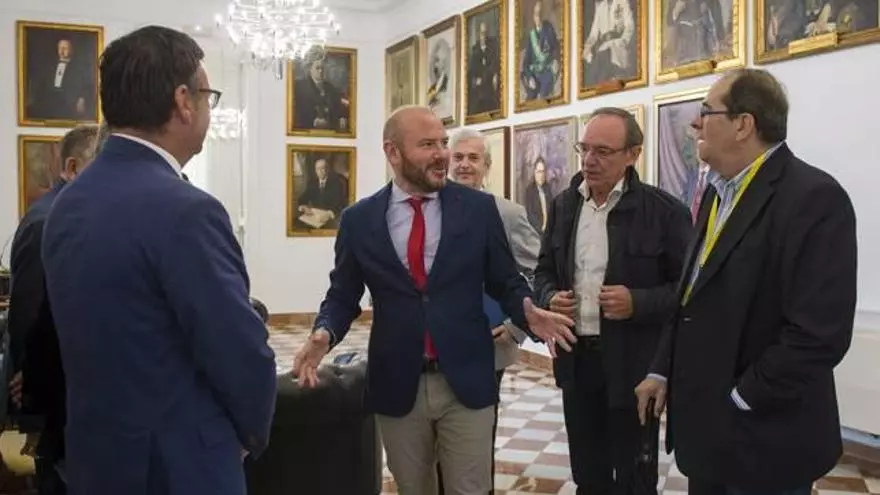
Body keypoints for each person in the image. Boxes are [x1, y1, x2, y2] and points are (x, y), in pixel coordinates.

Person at [40, 25, 277, 495]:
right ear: (184, 101)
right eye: (208, 96)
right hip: (180, 464)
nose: (208, 109)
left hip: (98, 456)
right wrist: (247, 436)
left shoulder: (68, 202)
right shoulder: (187, 209)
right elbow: (238, 349)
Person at [293, 105, 575, 495]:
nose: (442, 154)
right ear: (393, 152)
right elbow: (343, 294)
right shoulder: (360, 220)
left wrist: (527, 311)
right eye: (428, 145)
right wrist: (324, 333)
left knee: (469, 489)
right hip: (398, 381)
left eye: (443, 143)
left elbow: (506, 281)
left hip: (466, 379)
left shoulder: (478, 210)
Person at [635, 68, 858, 495]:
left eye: (706, 112)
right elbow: (692, 296)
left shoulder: (813, 198)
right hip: (708, 439)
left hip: (765, 441)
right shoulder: (716, 192)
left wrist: (739, 398)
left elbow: (818, 335)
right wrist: (662, 369)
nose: (695, 123)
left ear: (743, 124)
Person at [534, 107, 692, 495]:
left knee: (636, 479)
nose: (589, 160)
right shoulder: (564, 205)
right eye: (584, 148)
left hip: (634, 367)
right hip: (577, 362)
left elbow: (689, 292)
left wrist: (638, 301)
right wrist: (550, 297)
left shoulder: (665, 212)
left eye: (602, 151)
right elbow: (543, 271)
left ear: (633, 154)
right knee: (589, 475)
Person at [7, 123, 108, 495]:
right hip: (51, 396)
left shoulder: (63, 212)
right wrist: (29, 381)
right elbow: (30, 312)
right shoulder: (51, 220)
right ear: (73, 167)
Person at [441, 127, 542, 493]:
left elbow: (540, 271)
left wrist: (516, 325)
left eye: (473, 158)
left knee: (476, 441)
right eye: (458, 157)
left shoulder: (508, 214)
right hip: (433, 346)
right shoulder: (427, 209)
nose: (464, 165)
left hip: (488, 345)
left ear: (487, 165)